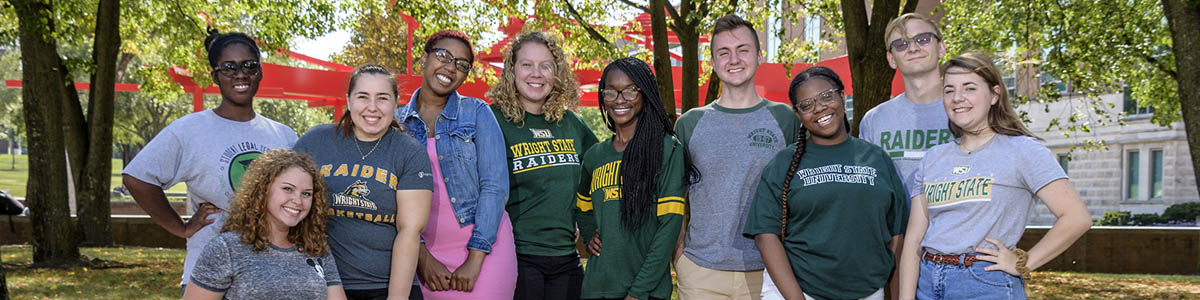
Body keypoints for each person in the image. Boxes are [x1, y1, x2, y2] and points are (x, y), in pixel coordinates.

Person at [897, 53, 1091, 300]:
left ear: (994, 94)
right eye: (949, 90)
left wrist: (1023, 263)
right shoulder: (933, 158)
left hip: (984, 283)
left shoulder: (1023, 150)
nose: (958, 98)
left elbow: (1077, 217)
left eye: (970, 88)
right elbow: (914, 238)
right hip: (927, 282)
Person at [122, 29, 298, 293]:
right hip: (208, 279)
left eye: (249, 66)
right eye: (229, 68)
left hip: (270, 278)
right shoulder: (190, 130)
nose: (240, 74)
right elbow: (137, 177)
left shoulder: (284, 135)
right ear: (215, 76)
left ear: (260, 72)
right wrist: (180, 227)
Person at [743, 66, 908, 300]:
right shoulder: (783, 163)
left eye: (826, 96)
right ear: (798, 115)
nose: (819, 108)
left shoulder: (876, 158)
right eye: (807, 105)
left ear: (842, 96)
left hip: (868, 291)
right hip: (799, 291)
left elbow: (897, 233)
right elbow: (765, 236)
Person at [672, 14, 798, 300]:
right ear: (713, 63)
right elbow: (675, 194)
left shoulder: (784, 118)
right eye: (723, 53)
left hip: (770, 270)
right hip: (702, 271)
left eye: (743, 49)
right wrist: (679, 254)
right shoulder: (690, 123)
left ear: (759, 56)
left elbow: (798, 192)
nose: (734, 59)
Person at [393, 30, 517, 299]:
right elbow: (388, 195)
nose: (451, 67)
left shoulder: (478, 113)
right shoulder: (395, 122)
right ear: (423, 58)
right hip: (417, 249)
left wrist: (475, 259)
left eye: (461, 64)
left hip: (484, 248)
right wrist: (421, 256)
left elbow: (495, 187)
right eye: (443, 56)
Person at [294, 65, 433, 300]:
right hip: (321, 284)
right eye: (362, 97)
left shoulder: (410, 152)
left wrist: (396, 298)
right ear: (348, 101)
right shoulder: (315, 141)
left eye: (382, 98)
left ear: (396, 103)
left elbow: (409, 231)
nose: (372, 107)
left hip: (386, 286)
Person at [484, 31, 597, 300]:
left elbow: (601, 172)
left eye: (545, 66)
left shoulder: (571, 123)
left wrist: (588, 223)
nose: (537, 73)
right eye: (527, 65)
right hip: (517, 256)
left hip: (567, 257)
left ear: (557, 73)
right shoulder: (491, 120)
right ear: (512, 69)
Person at [575, 57, 694, 300]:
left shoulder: (667, 150)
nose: (619, 99)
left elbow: (669, 227)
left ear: (645, 93)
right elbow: (582, 207)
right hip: (597, 288)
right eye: (611, 92)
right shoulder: (595, 156)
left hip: (646, 292)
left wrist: (638, 292)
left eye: (630, 90)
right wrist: (589, 235)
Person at [183, 149, 346, 300]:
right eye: (288, 189)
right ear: (264, 190)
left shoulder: (316, 247)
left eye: (306, 194)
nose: (298, 201)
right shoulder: (226, 249)